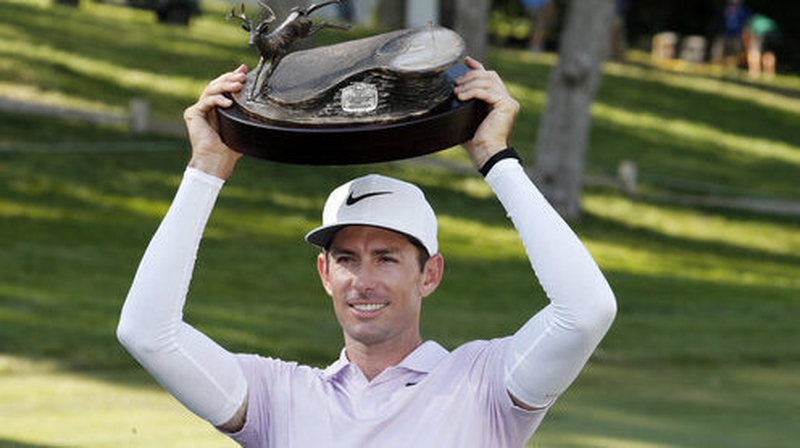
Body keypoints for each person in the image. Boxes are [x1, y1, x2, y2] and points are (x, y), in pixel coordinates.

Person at [117, 57, 617, 447]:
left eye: (387, 257)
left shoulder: (483, 385)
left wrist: (496, 160)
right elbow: (146, 333)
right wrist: (206, 168)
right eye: (347, 259)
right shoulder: (279, 397)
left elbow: (587, 311)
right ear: (324, 273)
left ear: (430, 274)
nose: (363, 279)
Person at [743, 13, 780, 78]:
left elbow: (747, 34)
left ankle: (754, 72)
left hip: (760, 35)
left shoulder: (752, 20)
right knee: (769, 53)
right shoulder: (770, 21)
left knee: (754, 53)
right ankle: (769, 74)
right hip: (772, 35)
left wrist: (747, 46)